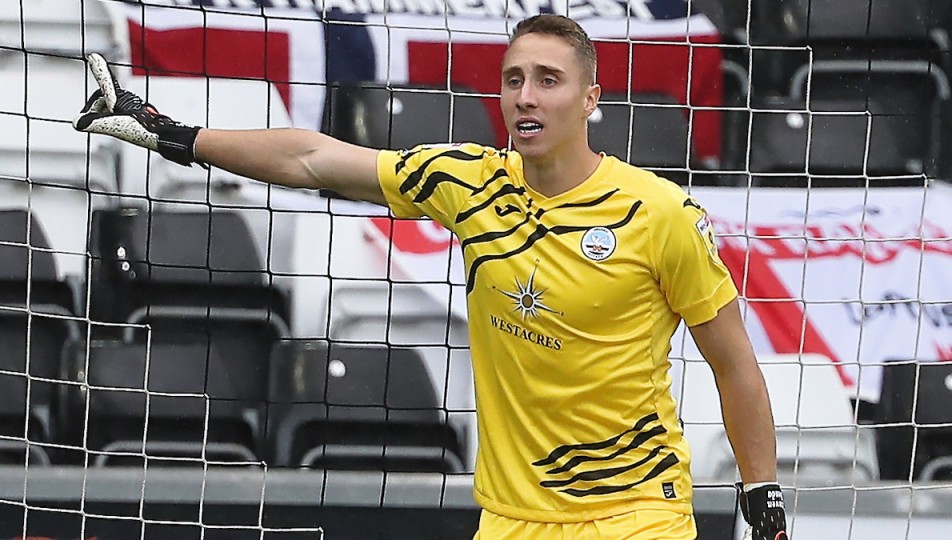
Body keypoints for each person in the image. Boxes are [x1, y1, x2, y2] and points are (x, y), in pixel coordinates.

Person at [74, 14, 788, 540]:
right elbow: (313, 160)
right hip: (511, 518)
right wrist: (175, 134)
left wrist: (763, 496)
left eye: (548, 80)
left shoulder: (659, 213)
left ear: (592, 99)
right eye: (514, 80)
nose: (527, 97)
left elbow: (734, 364)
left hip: (636, 514)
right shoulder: (466, 181)